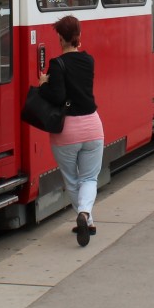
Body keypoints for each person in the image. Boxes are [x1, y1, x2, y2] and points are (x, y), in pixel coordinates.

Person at [36, 14, 104, 247]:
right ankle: (86, 217)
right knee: (89, 177)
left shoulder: (57, 63)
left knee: (72, 180)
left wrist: (44, 83)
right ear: (79, 36)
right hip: (93, 126)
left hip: (67, 131)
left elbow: (56, 96)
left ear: (60, 38)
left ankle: (85, 217)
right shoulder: (89, 60)